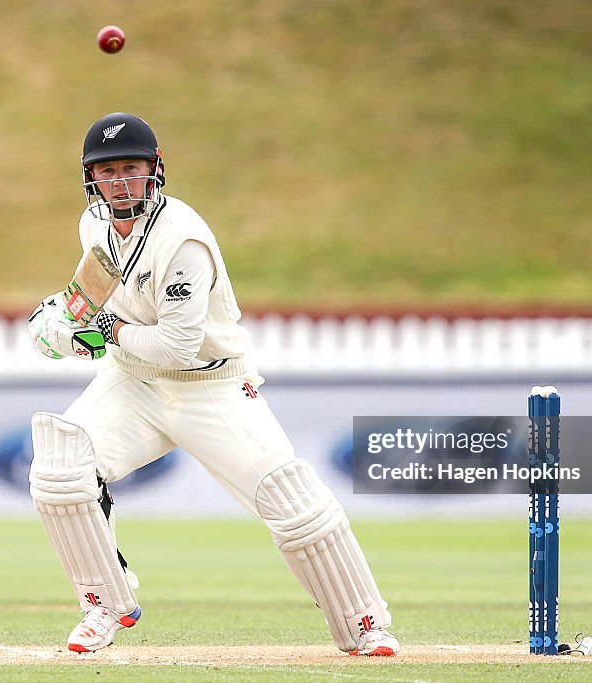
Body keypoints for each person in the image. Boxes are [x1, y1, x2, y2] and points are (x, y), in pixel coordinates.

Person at [26, 112, 399, 656]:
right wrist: (64, 318)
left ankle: (363, 622)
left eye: (131, 168)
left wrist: (104, 333)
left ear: (156, 171)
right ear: (91, 180)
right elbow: (96, 289)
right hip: (134, 382)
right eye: (108, 172)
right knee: (60, 468)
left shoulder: (183, 241)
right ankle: (105, 602)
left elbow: (175, 346)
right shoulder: (95, 226)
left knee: (292, 503)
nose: (121, 182)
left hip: (212, 386)